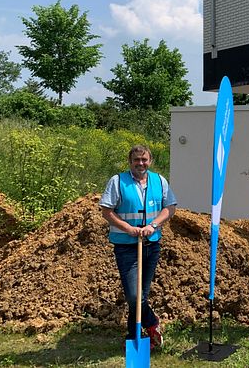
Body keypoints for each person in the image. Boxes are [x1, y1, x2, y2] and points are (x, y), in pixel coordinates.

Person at [100, 145, 177, 350]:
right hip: (126, 247)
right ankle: (152, 324)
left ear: (150, 161)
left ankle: (133, 335)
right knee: (134, 296)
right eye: (136, 160)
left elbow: (170, 208)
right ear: (130, 161)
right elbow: (106, 211)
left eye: (144, 160)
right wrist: (128, 228)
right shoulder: (117, 182)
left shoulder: (159, 181)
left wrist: (153, 225)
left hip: (151, 245)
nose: (140, 163)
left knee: (141, 295)